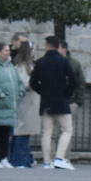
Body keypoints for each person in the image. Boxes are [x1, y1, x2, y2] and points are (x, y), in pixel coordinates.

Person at [31, 35, 75, 169]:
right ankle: (59, 157)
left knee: (47, 132)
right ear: (58, 46)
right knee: (67, 129)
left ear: (48, 45)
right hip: (61, 101)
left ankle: (46, 161)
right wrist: (66, 94)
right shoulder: (63, 61)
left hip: (46, 101)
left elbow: (33, 82)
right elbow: (73, 80)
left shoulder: (40, 62)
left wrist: (43, 92)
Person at [9, 39, 39, 168]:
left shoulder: (26, 64)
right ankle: (19, 159)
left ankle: (23, 158)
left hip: (29, 101)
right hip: (25, 102)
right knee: (21, 132)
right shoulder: (22, 65)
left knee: (23, 132)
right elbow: (23, 82)